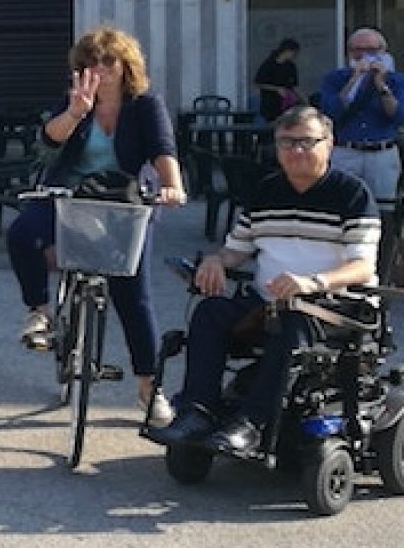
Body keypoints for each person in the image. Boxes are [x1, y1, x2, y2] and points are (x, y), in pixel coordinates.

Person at [149, 106, 380, 453]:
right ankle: (197, 412)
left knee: (294, 322)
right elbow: (236, 251)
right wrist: (215, 262)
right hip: (267, 301)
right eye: (286, 143)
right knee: (209, 312)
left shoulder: (352, 194)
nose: (295, 151)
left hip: (331, 308)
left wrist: (312, 282)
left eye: (306, 142)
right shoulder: (266, 191)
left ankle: (251, 424)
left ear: (329, 144)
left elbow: (362, 267)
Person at [6, 26, 187, 418]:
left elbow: (162, 150)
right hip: (69, 196)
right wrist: (75, 112)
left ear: (125, 66)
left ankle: (148, 387)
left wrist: (172, 187)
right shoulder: (75, 101)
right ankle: (41, 310)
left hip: (122, 201)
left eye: (108, 61)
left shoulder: (144, 104)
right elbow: (49, 142)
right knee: (22, 234)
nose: (99, 69)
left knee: (133, 294)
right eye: (90, 62)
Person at [318, 28, 404, 279]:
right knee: (341, 210)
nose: (365, 56)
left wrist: (381, 87)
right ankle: (342, 270)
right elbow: (331, 112)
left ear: (384, 52)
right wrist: (355, 80)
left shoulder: (396, 80)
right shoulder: (336, 78)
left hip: (381, 152)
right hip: (347, 151)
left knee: (383, 215)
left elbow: (398, 116)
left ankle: (380, 272)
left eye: (372, 50)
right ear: (349, 53)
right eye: (358, 50)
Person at [254, 38, 302, 123]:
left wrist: (303, 99)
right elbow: (259, 82)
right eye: (294, 53)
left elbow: (295, 86)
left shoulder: (291, 66)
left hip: (287, 104)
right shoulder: (269, 64)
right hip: (271, 104)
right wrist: (276, 89)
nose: (295, 56)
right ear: (287, 51)